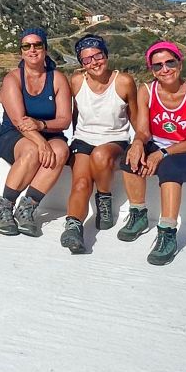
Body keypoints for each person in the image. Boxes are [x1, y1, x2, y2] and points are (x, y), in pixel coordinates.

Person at [123, 40, 186, 266]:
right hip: (158, 145)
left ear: (180, 64)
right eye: (157, 66)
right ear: (151, 69)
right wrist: (138, 143)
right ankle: (138, 214)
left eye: (170, 62)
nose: (165, 69)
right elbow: (142, 130)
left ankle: (168, 232)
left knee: (170, 168)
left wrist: (162, 153)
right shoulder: (147, 91)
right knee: (130, 156)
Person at [60, 35, 140, 254]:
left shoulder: (123, 81)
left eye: (98, 56)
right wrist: (76, 140)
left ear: (106, 55)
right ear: (81, 63)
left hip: (115, 140)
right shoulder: (77, 81)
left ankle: (104, 198)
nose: (94, 62)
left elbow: (136, 117)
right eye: (87, 59)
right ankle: (73, 228)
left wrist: (140, 141)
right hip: (83, 139)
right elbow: (76, 115)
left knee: (100, 155)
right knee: (81, 183)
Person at [0, 27, 73, 237]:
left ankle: (27, 207)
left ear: (45, 49)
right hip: (15, 135)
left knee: (61, 151)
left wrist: (42, 126)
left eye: (37, 45)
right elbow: (20, 122)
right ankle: (4, 207)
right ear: (21, 51)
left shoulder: (57, 79)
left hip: (47, 131)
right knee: (32, 151)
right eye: (26, 46)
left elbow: (64, 120)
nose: (32, 49)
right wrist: (41, 142)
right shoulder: (12, 79)